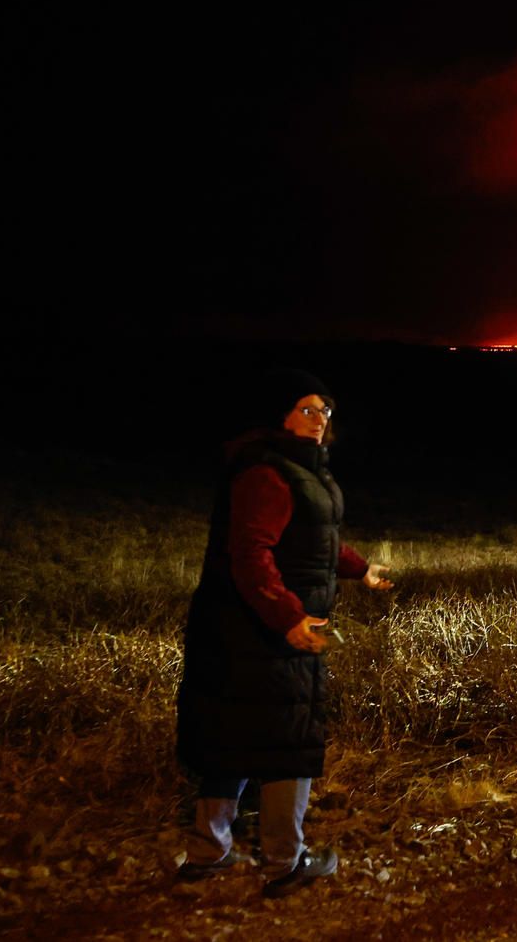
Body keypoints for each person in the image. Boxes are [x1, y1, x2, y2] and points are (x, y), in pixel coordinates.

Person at [175, 369, 393, 895]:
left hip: (254, 628)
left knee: (235, 734)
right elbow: (251, 555)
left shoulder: (298, 471)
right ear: (281, 415)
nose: (320, 421)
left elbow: (316, 542)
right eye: (307, 409)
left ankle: (209, 851)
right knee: (286, 739)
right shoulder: (266, 474)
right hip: (260, 631)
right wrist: (290, 617)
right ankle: (285, 864)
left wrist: (360, 570)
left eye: (326, 412)